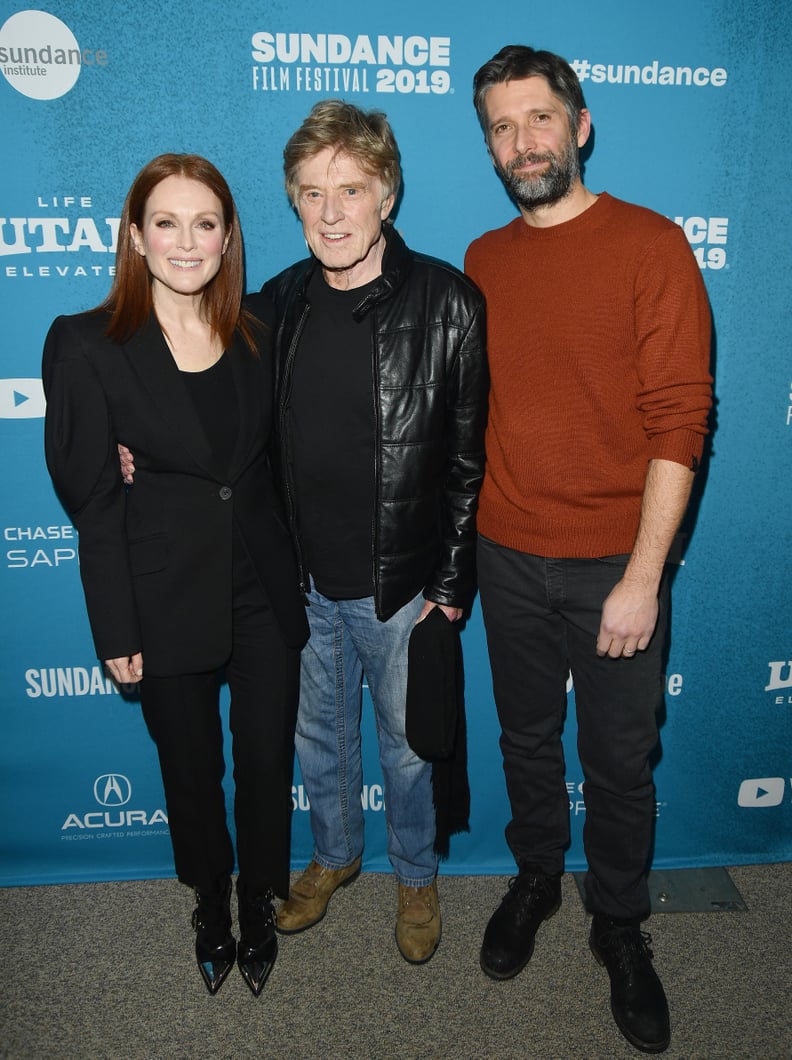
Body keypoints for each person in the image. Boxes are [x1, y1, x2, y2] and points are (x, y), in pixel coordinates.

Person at [465, 46, 712, 1053]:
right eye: (500, 126)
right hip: (505, 554)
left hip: (617, 564)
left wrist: (643, 578)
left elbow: (680, 419)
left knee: (618, 761)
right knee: (524, 740)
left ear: (581, 124)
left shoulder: (652, 246)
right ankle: (535, 878)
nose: (521, 141)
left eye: (537, 118)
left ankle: (620, 923)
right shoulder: (483, 260)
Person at [42, 154, 309, 998]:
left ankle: (260, 897)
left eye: (205, 223)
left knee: (265, 761)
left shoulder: (261, 326)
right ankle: (210, 901)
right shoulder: (86, 344)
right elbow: (92, 501)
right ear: (134, 234)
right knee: (189, 769)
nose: (186, 241)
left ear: (229, 236)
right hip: (160, 596)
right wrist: (114, 627)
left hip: (263, 587)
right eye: (166, 221)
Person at [262, 100, 488, 963]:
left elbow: (470, 464)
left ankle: (417, 876)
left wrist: (448, 588)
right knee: (317, 737)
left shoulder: (448, 303)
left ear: (385, 193)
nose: (330, 212)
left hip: (403, 586)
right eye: (312, 192)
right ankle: (332, 857)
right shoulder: (277, 302)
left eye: (349, 189)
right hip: (305, 581)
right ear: (293, 200)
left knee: (406, 750)